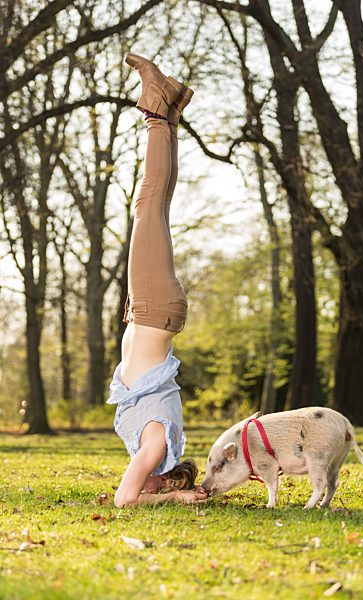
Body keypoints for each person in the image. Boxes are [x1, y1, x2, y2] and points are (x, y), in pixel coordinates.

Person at [107, 54, 207, 507]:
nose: (141, 478)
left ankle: (169, 110)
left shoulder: (162, 444)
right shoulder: (159, 449)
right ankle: (156, 110)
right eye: (158, 487)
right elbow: (124, 501)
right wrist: (174, 500)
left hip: (148, 310)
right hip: (152, 308)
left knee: (156, 203)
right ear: (167, 482)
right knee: (149, 202)